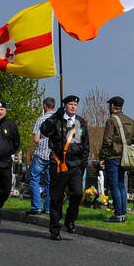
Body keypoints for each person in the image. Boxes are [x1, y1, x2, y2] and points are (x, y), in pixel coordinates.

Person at [40, 94, 89, 240]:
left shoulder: (80, 122)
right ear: (65, 106)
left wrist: (83, 163)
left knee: (77, 194)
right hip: (59, 164)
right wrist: (55, 117)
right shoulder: (57, 120)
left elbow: (85, 144)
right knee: (57, 198)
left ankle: (70, 220)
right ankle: (55, 229)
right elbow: (44, 130)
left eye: (75, 105)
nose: (73, 107)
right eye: (70, 105)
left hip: (75, 164)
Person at [98, 95, 134, 222]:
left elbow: (107, 140)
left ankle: (118, 214)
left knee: (114, 186)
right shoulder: (130, 120)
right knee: (121, 185)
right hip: (125, 157)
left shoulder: (111, 120)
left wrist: (102, 157)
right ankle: (123, 214)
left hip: (113, 156)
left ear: (113, 106)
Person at [28, 97, 55, 216]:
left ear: (45, 106)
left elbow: (36, 139)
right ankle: (48, 208)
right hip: (53, 155)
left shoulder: (41, 119)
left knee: (34, 179)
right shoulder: (59, 119)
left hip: (40, 154)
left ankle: (36, 206)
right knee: (51, 182)